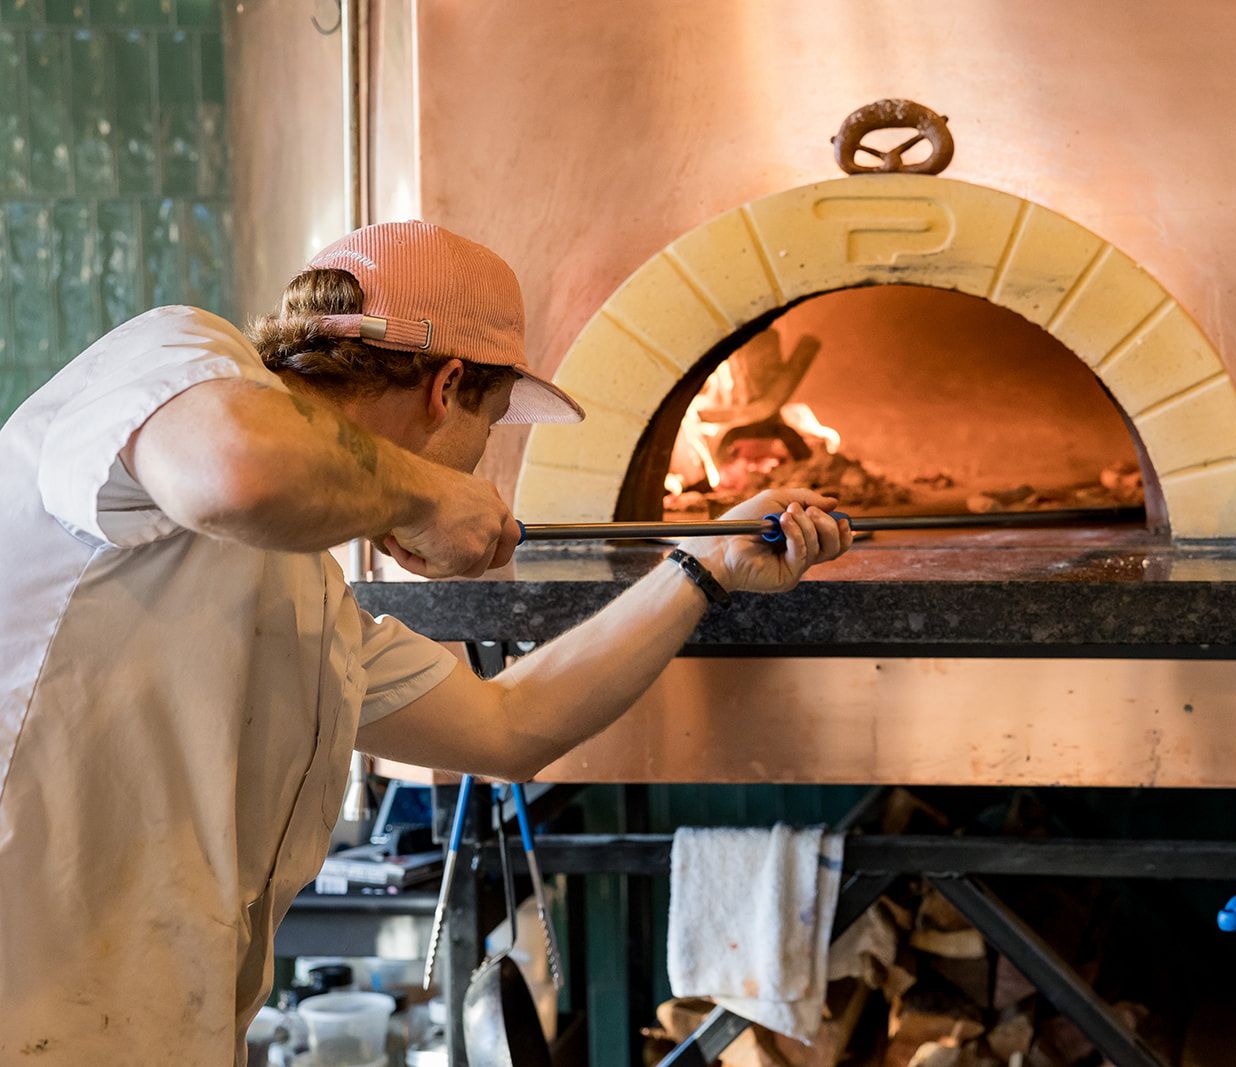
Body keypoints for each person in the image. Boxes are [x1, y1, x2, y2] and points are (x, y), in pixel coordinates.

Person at [0, 221, 852, 1063]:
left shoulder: (308, 606)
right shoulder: (171, 358)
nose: (478, 462)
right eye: (492, 424)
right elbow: (235, 469)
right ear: (447, 387)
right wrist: (427, 496)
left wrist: (703, 567)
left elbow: (512, 725)